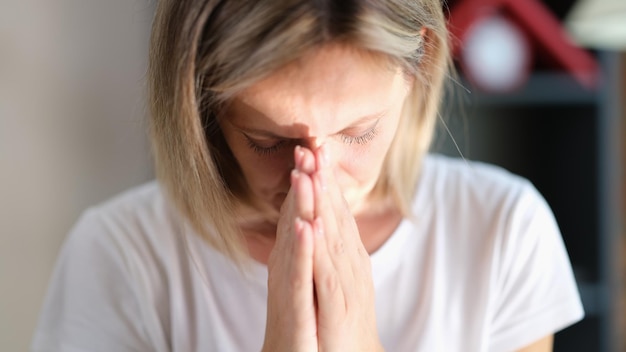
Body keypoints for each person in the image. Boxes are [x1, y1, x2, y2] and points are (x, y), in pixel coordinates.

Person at [32, 0, 584, 351]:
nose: (315, 178)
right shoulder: (118, 255)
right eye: (269, 141)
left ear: (422, 63)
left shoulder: (503, 230)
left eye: (360, 132)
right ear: (201, 106)